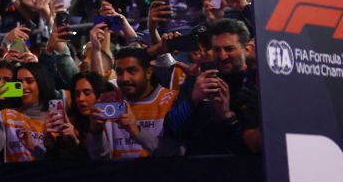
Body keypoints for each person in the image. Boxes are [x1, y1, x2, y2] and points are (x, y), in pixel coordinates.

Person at [162, 18, 261, 155]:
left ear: (245, 49)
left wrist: (227, 116)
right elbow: (170, 130)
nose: (222, 56)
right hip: (197, 169)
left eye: (229, 49)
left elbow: (256, 148)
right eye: (216, 49)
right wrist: (193, 100)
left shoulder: (256, 87)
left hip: (242, 171)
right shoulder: (199, 81)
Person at [92, 47, 176, 159]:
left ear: (148, 72)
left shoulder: (170, 100)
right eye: (119, 72)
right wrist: (95, 133)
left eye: (132, 71)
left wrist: (137, 132)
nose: (124, 78)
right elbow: (99, 158)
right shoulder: (108, 102)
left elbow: (177, 152)